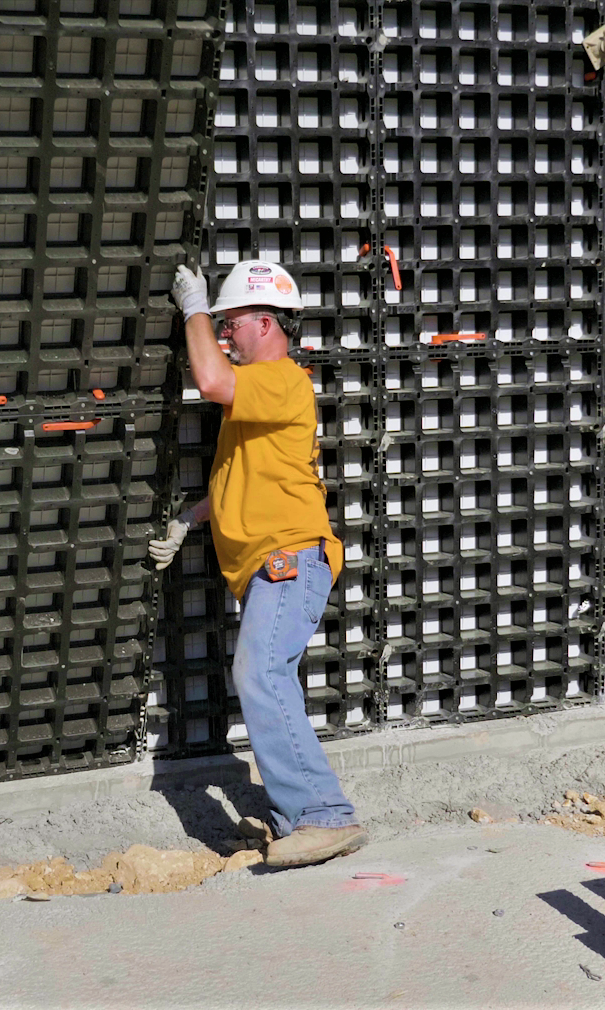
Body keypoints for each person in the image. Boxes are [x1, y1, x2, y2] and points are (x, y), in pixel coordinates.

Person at [152, 260, 370, 868]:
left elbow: (212, 381)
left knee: (259, 675)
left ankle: (324, 815)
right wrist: (189, 519)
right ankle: (295, 816)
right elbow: (238, 480)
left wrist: (193, 306)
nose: (225, 334)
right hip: (274, 565)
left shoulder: (281, 381)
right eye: (218, 322)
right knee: (268, 679)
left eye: (232, 322)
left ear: (266, 322)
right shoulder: (257, 404)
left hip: (289, 560)